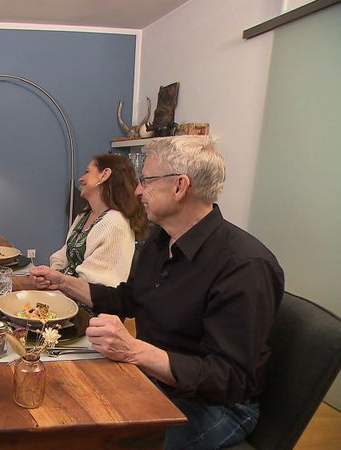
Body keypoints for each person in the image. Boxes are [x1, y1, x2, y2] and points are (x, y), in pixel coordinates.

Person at [30, 136, 284, 449]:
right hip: (154, 379)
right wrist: (62, 281)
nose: (137, 191)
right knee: (61, 404)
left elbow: (227, 379)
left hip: (215, 406)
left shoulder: (244, 265)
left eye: (146, 181)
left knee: (94, 439)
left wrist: (133, 350)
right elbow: (128, 298)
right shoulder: (160, 241)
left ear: (180, 186)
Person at [49, 153, 147, 287]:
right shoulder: (83, 216)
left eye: (87, 172)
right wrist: (52, 274)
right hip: (63, 292)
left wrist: (57, 281)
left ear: (105, 174)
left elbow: (95, 281)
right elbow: (63, 254)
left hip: (88, 303)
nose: (81, 179)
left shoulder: (115, 223)